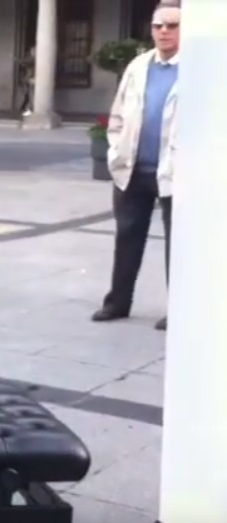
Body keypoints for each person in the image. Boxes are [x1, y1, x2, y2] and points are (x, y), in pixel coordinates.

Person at [91, 1, 179, 331]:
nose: (164, 31)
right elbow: (118, 113)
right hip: (133, 168)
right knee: (127, 236)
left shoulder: (200, 69)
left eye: (172, 25)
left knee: (178, 243)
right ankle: (117, 302)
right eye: (158, 25)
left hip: (176, 172)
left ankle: (178, 308)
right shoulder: (139, 66)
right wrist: (116, 151)